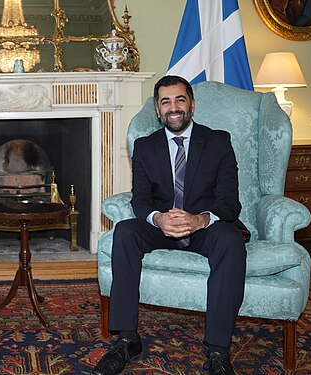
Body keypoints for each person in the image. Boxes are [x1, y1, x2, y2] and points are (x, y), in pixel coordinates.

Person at [91, 75, 248, 375]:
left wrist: (200, 219)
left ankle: (217, 350)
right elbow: (140, 201)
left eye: (179, 100)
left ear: (192, 105)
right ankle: (126, 340)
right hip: (161, 228)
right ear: (157, 108)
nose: (173, 108)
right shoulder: (145, 146)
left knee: (230, 239)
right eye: (166, 102)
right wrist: (159, 219)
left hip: (204, 228)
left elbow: (230, 202)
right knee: (124, 232)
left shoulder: (218, 142)